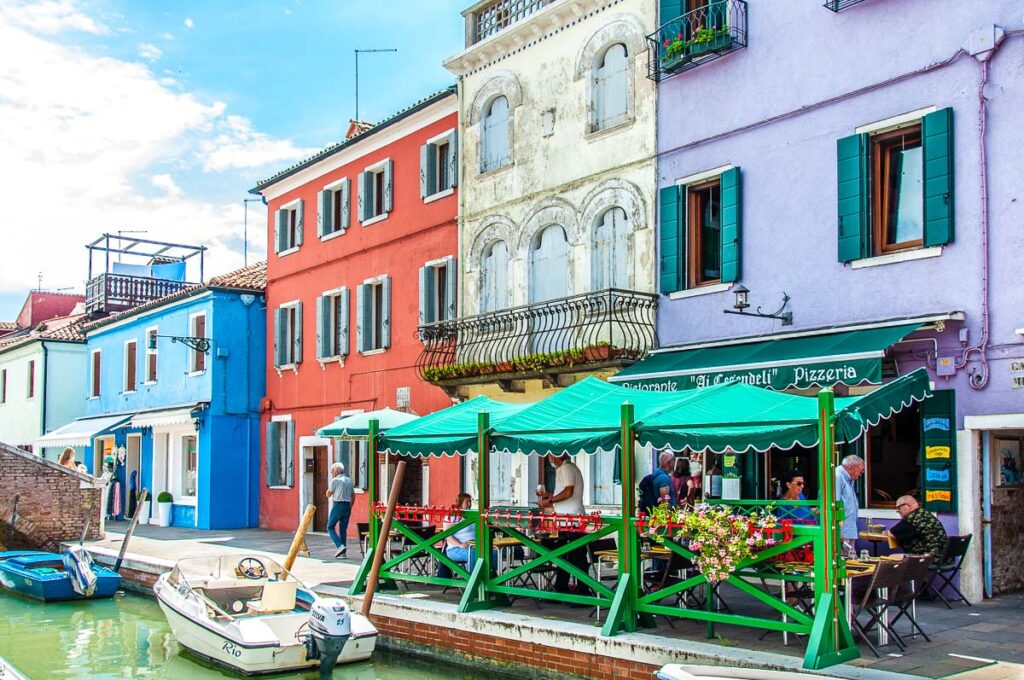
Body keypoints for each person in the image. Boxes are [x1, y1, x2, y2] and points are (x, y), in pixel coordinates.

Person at [538, 453, 591, 597]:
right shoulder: (566, 468)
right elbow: (565, 492)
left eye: (550, 456)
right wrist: (550, 496)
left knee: (575, 555)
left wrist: (549, 501)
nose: (549, 459)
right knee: (565, 554)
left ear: (555, 457)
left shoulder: (567, 468)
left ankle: (582, 589)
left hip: (571, 519)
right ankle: (562, 586)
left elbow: (568, 492)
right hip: (566, 519)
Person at [835, 454, 864, 555]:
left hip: (848, 530)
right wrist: (837, 531)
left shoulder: (847, 478)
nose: (860, 474)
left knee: (850, 562)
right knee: (843, 562)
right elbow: (834, 506)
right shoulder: (837, 477)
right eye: (860, 471)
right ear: (852, 468)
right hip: (841, 532)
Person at [326, 462, 354, 558]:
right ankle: (343, 554)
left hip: (338, 505)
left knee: (330, 526)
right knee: (343, 529)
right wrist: (350, 506)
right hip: (347, 506)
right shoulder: (349, 480)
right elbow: (353, 495)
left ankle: (339, 546)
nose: (331, 472)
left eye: (332, 470)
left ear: (337, 471)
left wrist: (327, 492)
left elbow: (328, 494)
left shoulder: (335, 481)